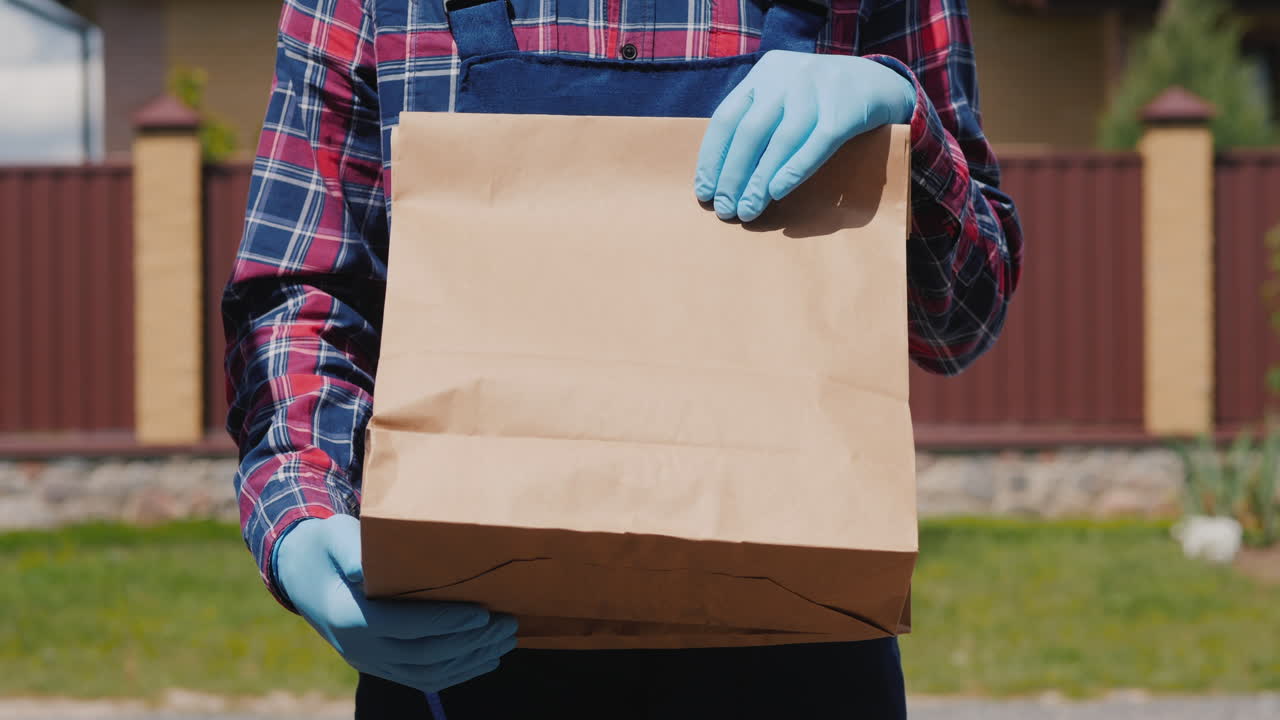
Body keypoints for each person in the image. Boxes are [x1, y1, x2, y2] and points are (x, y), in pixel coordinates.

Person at [222, 0, 1023, 716]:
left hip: (799, 658)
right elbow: (305, 297)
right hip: (459, 656)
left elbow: (962, 324)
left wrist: (903, 127)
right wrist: (301, 519)